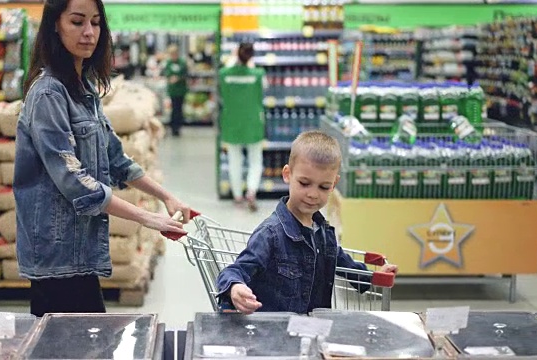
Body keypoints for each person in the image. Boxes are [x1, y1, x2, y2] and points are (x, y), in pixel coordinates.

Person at [14, 0, 191, 317]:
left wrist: (168, 198)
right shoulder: (48, 94)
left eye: (95, 23)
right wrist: (148, 219)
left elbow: (116, 159)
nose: (88, 32)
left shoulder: (84, 90)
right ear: (55, 24)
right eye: (77, 22)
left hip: (81, 247)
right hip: (56, 253)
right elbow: (74, 182)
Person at [216, 131, 398, 314]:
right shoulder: (270, 233)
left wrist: (372, 276)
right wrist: (235, 287)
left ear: (334, 184)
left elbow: (341, 261)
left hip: (312, 329)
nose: (313, 194)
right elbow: (236, 270)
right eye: (304, 183)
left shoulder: (323, 231)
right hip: (276, 333)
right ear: (287, 174)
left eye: (323, 187)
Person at [218, 43, 266, 212]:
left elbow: (224, 72)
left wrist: (232, 60)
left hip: (232, 122)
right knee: (255, 159)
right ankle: (251, 191)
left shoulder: (225, 74)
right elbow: (264, 89)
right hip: (253, 122)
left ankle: (237, 195)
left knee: (234, 160)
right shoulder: (258, 74)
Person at [162, 44, 188, 137]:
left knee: (179, 109)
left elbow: (185, 74)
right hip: (172, 90)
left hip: (181, 90)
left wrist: (178, 78)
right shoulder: (168, 63)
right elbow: (166, 73)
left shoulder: (182, 63)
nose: (173, 56)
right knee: (174, 109)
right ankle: (173, 127)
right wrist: (170, 78)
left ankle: (178, 127)